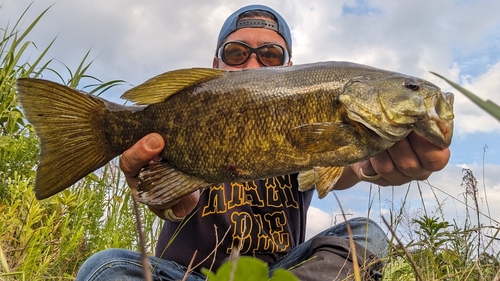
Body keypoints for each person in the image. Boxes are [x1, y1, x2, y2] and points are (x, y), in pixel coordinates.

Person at [76, 4, 450, 281]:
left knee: (368, 235)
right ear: (214, 65)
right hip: (185, 275)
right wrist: (171, 200)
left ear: (289, 68)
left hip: (279, 274)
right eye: (236, 53)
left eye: (270, 55)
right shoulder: (191, 106)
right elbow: (168, 196)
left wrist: (373, 165)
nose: (253, 65)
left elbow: (353, 168)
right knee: (105, 267)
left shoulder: (334, 131)